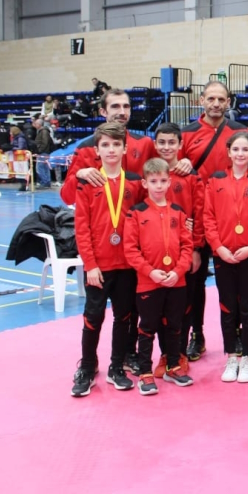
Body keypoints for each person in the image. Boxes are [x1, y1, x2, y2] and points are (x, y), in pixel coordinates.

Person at [70, 123, 146, 397]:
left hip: (127, 265)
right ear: (97, 150)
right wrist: (90, 264)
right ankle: (88, 367)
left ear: (125, 148)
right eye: (106, 145)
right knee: (93, 317)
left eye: (116, 144)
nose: (111, 150)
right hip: (98, 267)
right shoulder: (88, 183)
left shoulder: (136, 183)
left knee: (124, 318)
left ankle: (116, 367)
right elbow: (82, 227)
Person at [179, 81, 248, 362]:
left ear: (228, 101)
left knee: (235, 282)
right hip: (195, 216)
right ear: (201, 100)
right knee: (193, 280)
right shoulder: (186, 134)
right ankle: (197, 333)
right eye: (211, 98)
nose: (216, 104)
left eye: (221, 99)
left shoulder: (241, 132)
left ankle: (239, 334)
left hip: (231, 217)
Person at [203, 132, 248, 384]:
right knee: (227, 306)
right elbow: (208, 217)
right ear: (229, 152)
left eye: (246, 150)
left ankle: (246, 359)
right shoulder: (215, 180)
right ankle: (231, 355)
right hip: (223, 254)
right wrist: (218, 247)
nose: (241, 154)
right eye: (236, 149)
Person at [123, 158, 194, 395]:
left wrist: (177, 271)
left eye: (163, 181)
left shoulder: (178, 212)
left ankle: (173, 366)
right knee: (148, 328)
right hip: (148, 282)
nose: (159, 186)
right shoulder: (136, 213)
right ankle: (145, 371)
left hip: (176, 281)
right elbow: (130, 250)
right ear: (144, 183)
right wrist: (150, 271)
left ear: (169, 181)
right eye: (153, 181)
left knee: (175, 326)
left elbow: (187, 246)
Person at [151, 122, 204, 377]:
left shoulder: (191, 177)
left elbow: (200, 213)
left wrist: (195, 248)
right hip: (156, 255)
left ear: (180, 145)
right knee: (160, 307)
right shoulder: (149, 176)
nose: (166, 147)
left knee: (182, 306)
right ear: (155, 144)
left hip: (184, 252)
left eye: (172, 142)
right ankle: (164, 353)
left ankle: (179, 353)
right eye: (162, 142)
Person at [60, 88, 158, 206]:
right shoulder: (85, 149)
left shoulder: (145, 144)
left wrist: (183, 162)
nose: (122, 112)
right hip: (102, 220)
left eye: (126, 106)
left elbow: (166, 174)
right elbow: (67, 198)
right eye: (115, 106)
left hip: (137, 219)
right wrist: (79, 175)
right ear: (103, 112)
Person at [32, 118, 53, 188]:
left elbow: (45, 142)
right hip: (45, 151)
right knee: (45, 167)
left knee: (40, 168)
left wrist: (40, 150)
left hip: (43, 152)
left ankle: (45, 182)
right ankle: (46, 182)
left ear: (39, 124)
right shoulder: (43, 131)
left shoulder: (43, 131)